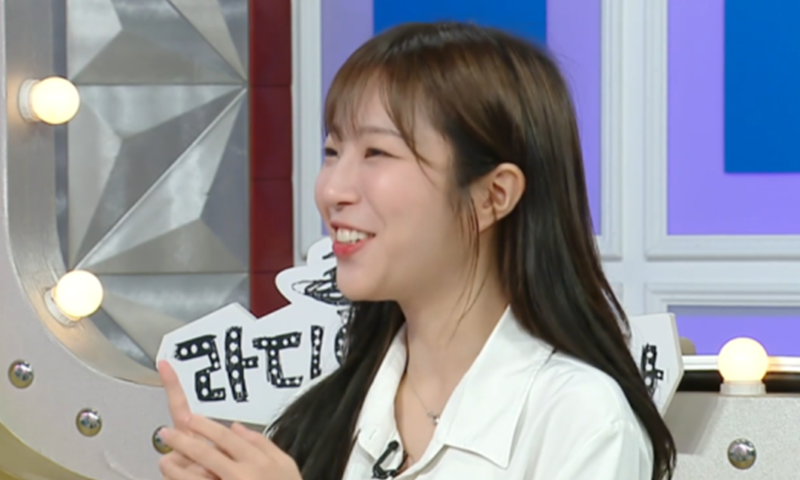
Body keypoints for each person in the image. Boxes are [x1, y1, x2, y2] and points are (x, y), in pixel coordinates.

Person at [156, 21, 677, 480]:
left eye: (377, 152)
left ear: (493, 195)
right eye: (332, 151)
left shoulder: (581, 419)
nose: (332, 189)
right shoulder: (318, 420)